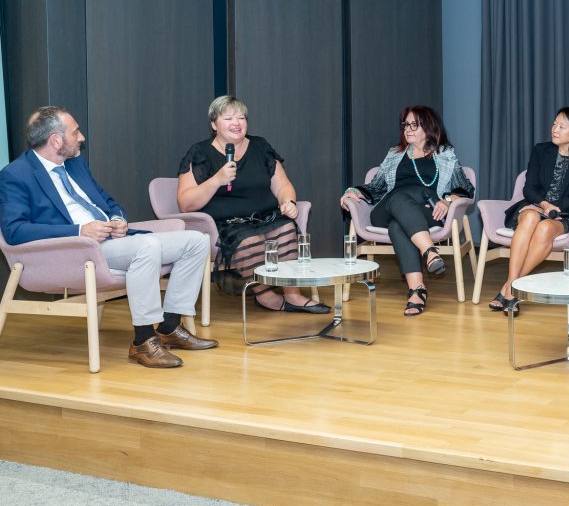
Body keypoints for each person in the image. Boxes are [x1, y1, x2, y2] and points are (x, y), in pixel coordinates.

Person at [0, 106, 218, 369]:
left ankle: (169, 327)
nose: (81, 138)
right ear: (56, 140)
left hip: (112, 242)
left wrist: (117, 220)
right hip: (76, 251)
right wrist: (79, 231)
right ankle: (143, 341)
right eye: (75, 132)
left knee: (196, 240)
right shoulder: (15, 175)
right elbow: (15, 230)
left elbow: (108, 202)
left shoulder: (75, 165)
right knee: (146, 246)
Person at [176, 96, 328, 314]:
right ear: (214, 125)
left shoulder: (260, 146)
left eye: (241, 117)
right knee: (250, 239)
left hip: (264, 217)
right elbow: (185, 203)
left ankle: (292, 295)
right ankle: (265, 296)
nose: (236, 123)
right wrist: (216, 180)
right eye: (228, 118)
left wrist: (288, 201)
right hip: (226, 225)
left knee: (286, 227)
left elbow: (282, 185)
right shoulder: (200, 153)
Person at [341, 106, 474, 317]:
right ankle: (429, 250)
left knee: (399, 226)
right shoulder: (395, 154)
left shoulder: (445, 155)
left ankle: (417, 290)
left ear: (428, 128)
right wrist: (353, 191)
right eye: (405, 125)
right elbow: (376, 187)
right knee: (401, 196)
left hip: (427, 214)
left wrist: (448, 201)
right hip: (387, 211)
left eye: (414, 125)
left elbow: (466, 189)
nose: (408, 129)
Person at [488, 107, 569, 316]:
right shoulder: (541, 150)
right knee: (531, 217)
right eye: (554, 124)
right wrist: (543, 205)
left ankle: (510, 287)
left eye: (562, 126)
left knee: (545, 229)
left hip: (564, 214)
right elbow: (529, 187)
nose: (554, 129)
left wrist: (553, 209)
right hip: (534, 206)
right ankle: (514, 289)